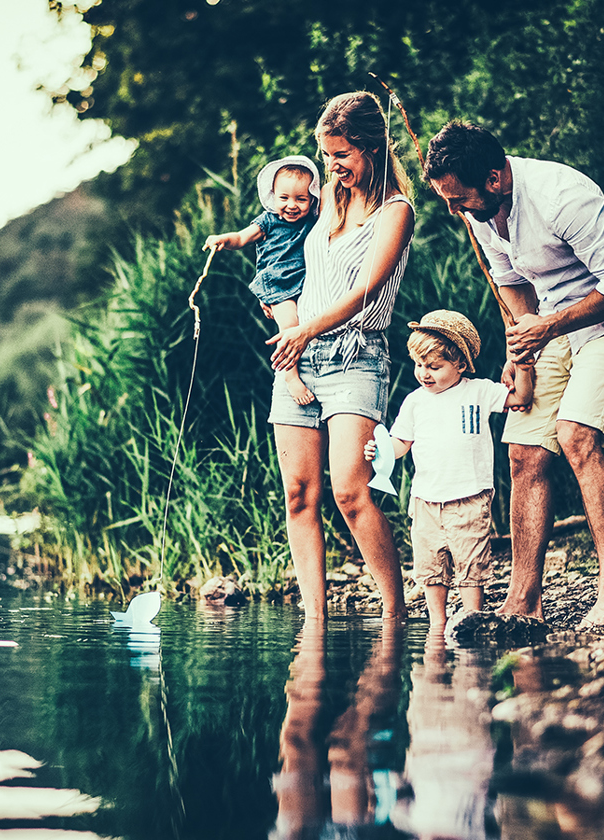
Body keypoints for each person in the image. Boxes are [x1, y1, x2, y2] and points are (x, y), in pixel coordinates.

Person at [423, 120, 604, 631]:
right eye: (446, 199)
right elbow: (513, 286)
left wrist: (547, 326)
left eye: (459, 198)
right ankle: (522, 602)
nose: (454, 209)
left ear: (495, 178)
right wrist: (521, 345)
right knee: (525, 450)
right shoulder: (480, 213)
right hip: (550, 324)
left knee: (576, 436)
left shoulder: (562, 196)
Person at [266, 90, 416, 623]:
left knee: (351, 489)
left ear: (372, 149)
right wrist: (286, 321)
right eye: (328, 155)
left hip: (356, 355)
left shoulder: (397, 211)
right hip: (298, 357)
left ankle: (396, 614)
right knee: (297, 494)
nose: (332, 166)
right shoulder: (327, 194)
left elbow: (365, 294)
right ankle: (315, 620)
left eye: (343, 155)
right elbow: (279, 253)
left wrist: (304, 331)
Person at [363, 310, 532, 629]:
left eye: (435, 367)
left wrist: (522, 366)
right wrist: (380, 450)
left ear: (461, 364)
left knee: (471, 564)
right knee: (430, 568)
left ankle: (471, 621)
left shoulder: (478, 391)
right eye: (419, 365)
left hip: (469, 498)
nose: (424, 373)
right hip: (426, 502)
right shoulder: (415, 401)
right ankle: (437, 627)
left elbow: (521, 397)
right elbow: (400, 443)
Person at [204, 155, 322, 405]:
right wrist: (224, 240)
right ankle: (290, 376)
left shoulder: (313, 222)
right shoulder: (268, 221)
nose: (292, 205)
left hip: (304, 284)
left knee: (309, 322)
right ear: (273, 196)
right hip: (278, 284)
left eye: (301, 199)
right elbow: (241, 238)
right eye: (284, 198)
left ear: (312, 198)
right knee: (290, 327)